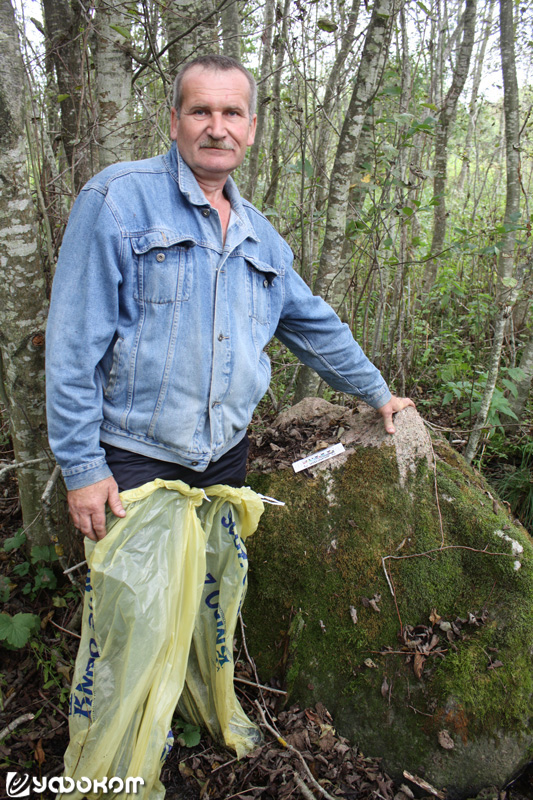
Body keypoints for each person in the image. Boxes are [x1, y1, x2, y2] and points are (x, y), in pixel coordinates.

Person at [45, 54, 414, 796]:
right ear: (175, 120)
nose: (217, 127)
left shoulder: (257, 234)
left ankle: (181, 726)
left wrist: (379, 395)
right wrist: (82, 465)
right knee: (131, 625)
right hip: (135, 459)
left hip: (222, 460)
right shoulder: (117, 200)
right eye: (200, 111)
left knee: (205, 603)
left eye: (232, 113)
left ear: (252, 129)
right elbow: (72, 339)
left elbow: (313, 326)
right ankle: (112, 773)